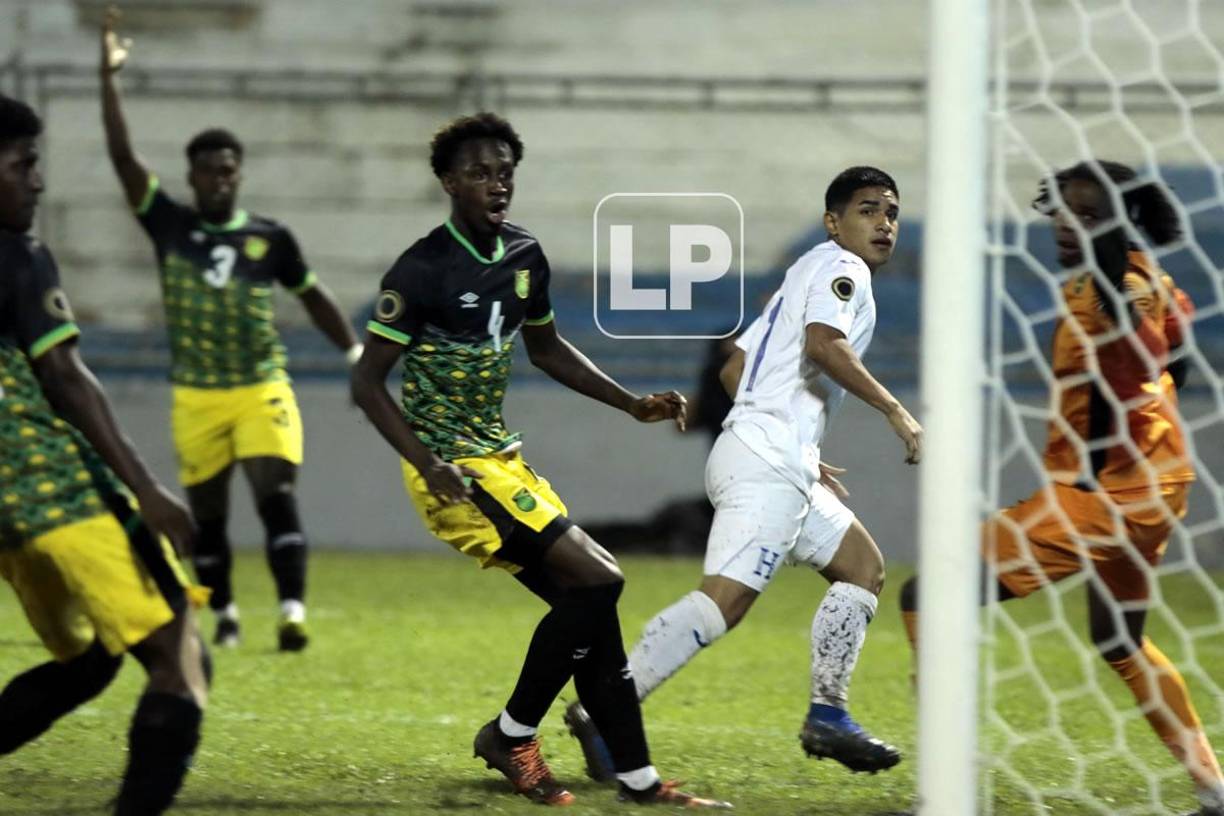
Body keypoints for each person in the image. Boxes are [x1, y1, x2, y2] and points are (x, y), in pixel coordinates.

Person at [350, 111, 730, 809]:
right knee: (599, 579)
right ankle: (509, 734)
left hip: (503, 461)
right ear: (447, 182)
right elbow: (366, 383)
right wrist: (427, 461)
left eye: (505, 172)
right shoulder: (422, 269)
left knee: (590, 617)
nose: (496, 184)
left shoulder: (524, 254)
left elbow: (547, 348)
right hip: (455, 472)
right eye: (479, 173)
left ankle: (640, 784)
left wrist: (629, 402)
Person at [565, 166, 920, 780]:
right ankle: (602, 709)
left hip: (772, 456)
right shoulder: (843, 269)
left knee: (863, 567)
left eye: (891, 211)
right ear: (834, 222)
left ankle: (828, 715)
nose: (884, 222)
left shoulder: (802, 271)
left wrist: (796, 437)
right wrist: (895, 411)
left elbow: (735, 369)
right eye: (867, 210)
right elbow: (823, 346)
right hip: (767, 463)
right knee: (723, 603)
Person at [898, 159, 1223, 816]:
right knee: (1119, 638)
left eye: (1088, 213)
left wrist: (1095, 458)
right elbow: (1178, 364)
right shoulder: (1157, 280)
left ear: (1119, 219)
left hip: (1101, 494)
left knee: (928, 595)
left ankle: (945, 789)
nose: (1066, 225)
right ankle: (1215, 788)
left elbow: (1123, 376)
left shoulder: (1107, 287)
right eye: (1062, 210)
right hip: (1161, 482)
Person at [99, 8, 363, 651]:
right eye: (209, 170)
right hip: (195, 394)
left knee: (274, 490)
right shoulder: (170, 226)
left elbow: (314, 295)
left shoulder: (268, 238)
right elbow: (123, 159)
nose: (220, 178)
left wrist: (356, 352)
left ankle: (293, 610)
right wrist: (107, 80)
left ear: (239, 173)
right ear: (191, 178)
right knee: (210, 517)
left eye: (229, 168)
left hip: (259, 386)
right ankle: (226, 617)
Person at [0, 93, 209, 816]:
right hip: (48, 487)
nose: (38, 182)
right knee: (183, 662)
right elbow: (63, 377)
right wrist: (147, 486)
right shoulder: (18, 256)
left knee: (90, 661)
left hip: (10, 521)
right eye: (24, 164)